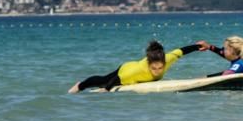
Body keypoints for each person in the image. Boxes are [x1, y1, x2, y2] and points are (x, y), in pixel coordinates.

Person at [68, 40, 208, 93]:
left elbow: (182, 51)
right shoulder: (136, 71)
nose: (157, 71)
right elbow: (117, 78)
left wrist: (198, 46)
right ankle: (80, 85)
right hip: (127, 68)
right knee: (103, 80)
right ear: (149, 65)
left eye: (160, 68)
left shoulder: (168, 59)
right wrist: (107, 89)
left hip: (135, 69)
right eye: (154, 69)